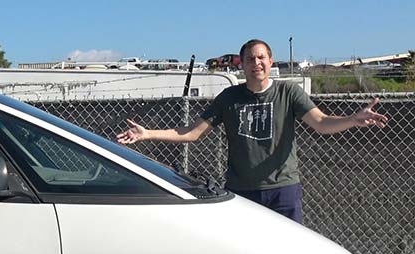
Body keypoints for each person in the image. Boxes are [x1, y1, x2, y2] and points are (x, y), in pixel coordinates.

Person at [115, 39, 388, 223]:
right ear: (242, 64)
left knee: (290, 253)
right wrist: (147, 133)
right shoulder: (228, 97)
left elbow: (320, 122)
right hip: (241, 192)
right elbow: (192, 133)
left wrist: (353, 119)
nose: (256, 63)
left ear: (270, 62)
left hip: (283, 190)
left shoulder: (288, 92)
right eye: (250, 59)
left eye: (261, 58)